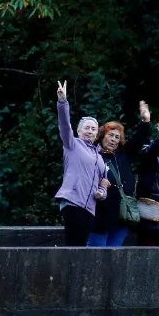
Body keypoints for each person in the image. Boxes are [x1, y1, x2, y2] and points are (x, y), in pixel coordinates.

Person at [54, 80, 109, 246]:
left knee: (81, 248)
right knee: (73, 246)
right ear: (79, 131)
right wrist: (63, 102)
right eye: (86, 128)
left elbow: (103, 184)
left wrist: (102, 192)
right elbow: (64, 125)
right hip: (72, 201)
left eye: (93, 129)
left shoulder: (99, 156)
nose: (90, 131)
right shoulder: (72, 144)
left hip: (90, 207)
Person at [88, 104, 151, 246]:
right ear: (103, 136)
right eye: (110, 135)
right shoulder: (92, 154)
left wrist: (145, 122)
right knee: (95, 257)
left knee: (113, 258)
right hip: (100, 215)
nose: (114, 139)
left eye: (117, 137)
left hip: (122, 215)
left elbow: (137, 139)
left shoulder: (123, 153)